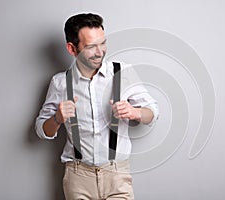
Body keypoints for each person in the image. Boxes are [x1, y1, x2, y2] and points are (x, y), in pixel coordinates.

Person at [35, 13, 159, 200]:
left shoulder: (122, 73)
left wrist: (135, 112)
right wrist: (57, 119)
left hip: (117, 175)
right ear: (72, 48)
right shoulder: (60, 83)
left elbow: (153, 112)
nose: (100, 52)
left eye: (102, 43)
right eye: (91, 46)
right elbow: (41, 129)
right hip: (78, 177)